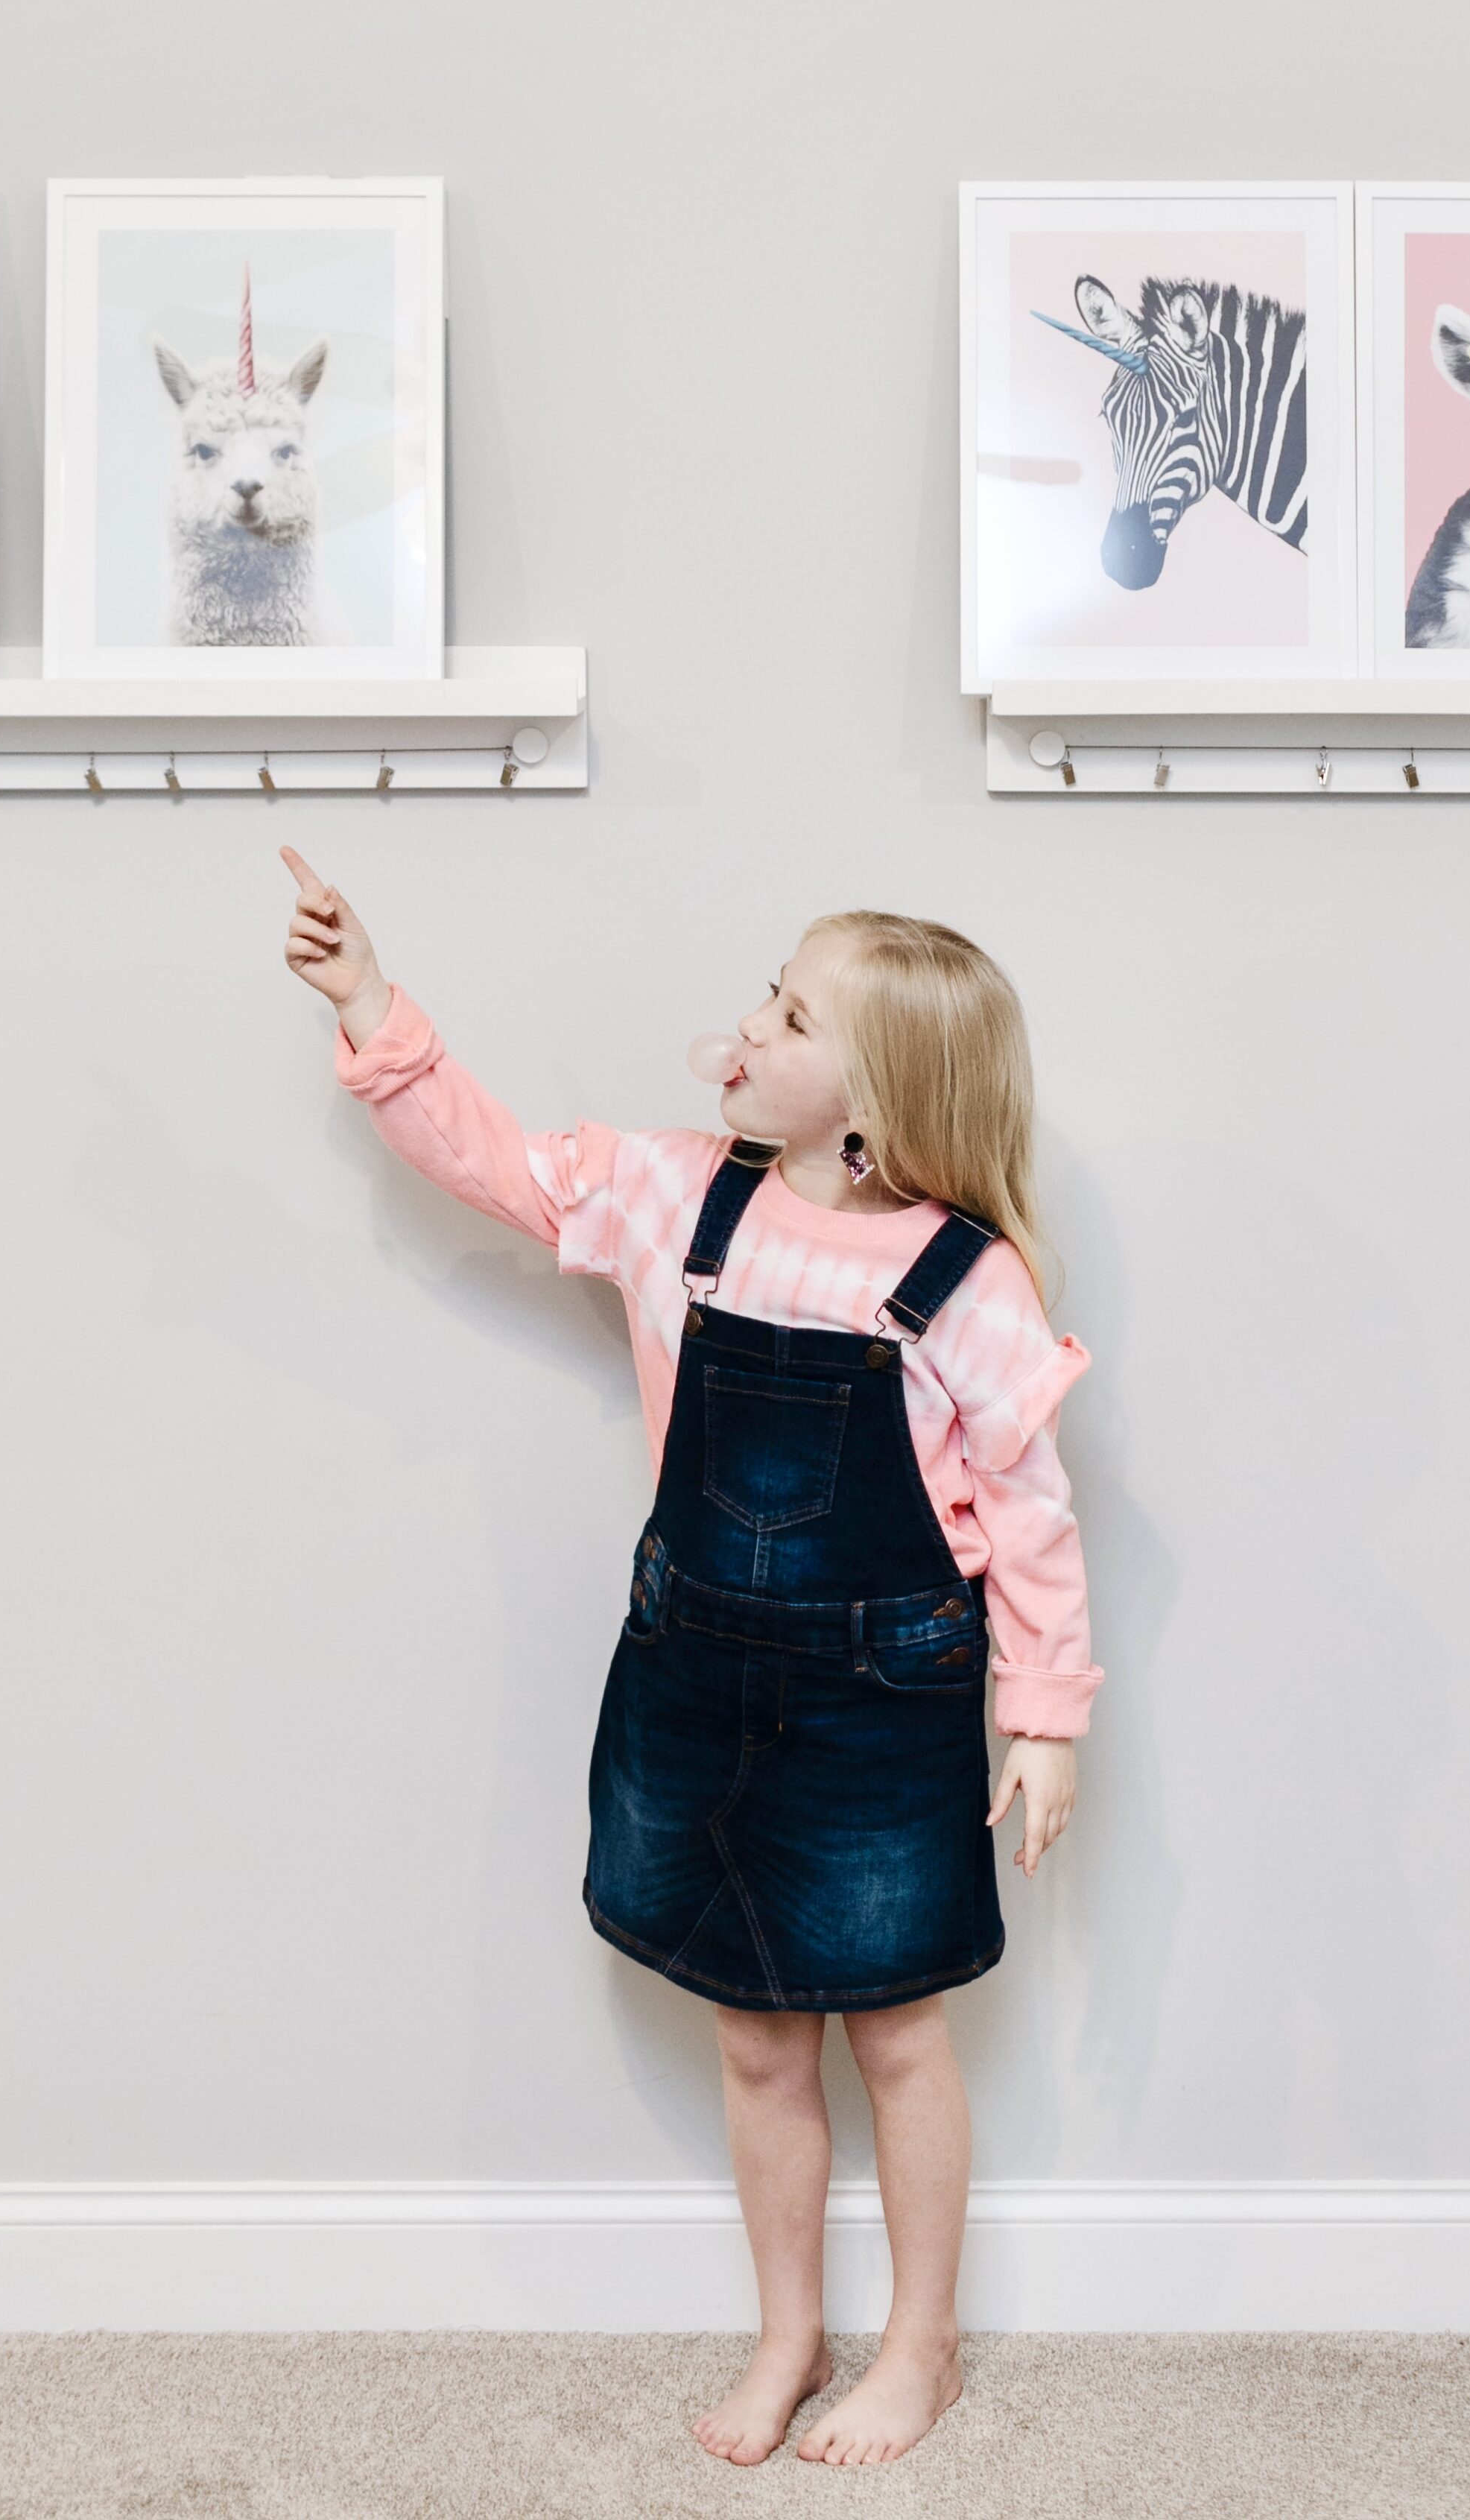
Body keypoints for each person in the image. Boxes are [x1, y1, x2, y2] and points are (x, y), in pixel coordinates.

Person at [279, 856, 1100, 2469]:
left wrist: (1045, 1716)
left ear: (876, 1101)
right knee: (751, 2035)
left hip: (882, 1701)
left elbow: (1031, 1514)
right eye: (768, 991)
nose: (748, 1024)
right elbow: (501, 1167)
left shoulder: (961, 1283)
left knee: (898, 2036)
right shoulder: (679, 1193)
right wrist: (373, 1006)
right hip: (695, 1677)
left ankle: (917, 2345)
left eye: (789, 1014)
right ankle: (788, 2331)